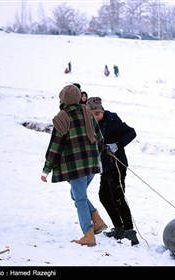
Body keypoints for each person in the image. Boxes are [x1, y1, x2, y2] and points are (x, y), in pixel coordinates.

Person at [40, 84, 108, 247]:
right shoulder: (87, 112)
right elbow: (99, 138)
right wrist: (95, 156)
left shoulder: (62, 117)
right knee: (77, 195)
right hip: (91, 164)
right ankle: (97, 221)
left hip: (76, 167)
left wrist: (46, 169)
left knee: (80, 199)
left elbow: (55, 146)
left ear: (63, 100)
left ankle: (88, 235)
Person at [86, 97, 139, 246]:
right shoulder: (90, 124)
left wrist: (117, 145)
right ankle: (119, 227)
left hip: (117, 165)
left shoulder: (112, 119)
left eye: (98, 113)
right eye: (92, 114)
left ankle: (130, 231)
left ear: (102, 111)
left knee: (117, 197)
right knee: (104, 196)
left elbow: (131, 133)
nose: (96, 117)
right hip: (104, 166)